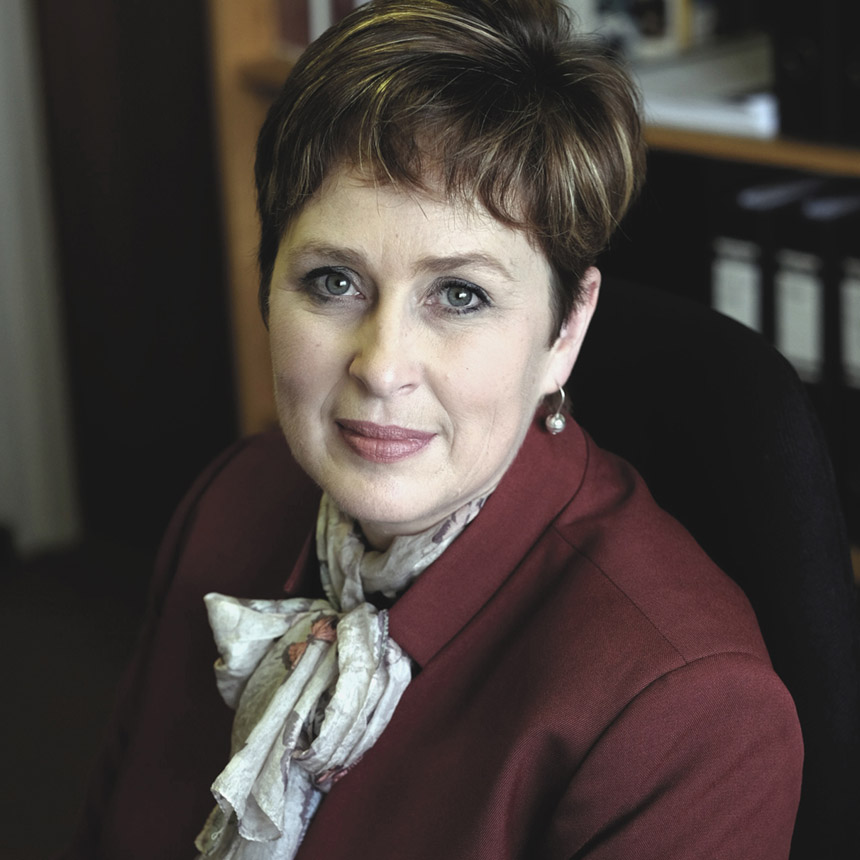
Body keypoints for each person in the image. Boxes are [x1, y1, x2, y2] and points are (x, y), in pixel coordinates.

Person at [60, 1, 803, 857]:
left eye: (459, 295)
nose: (382, 366)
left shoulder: (690, 713)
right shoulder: (234, 501)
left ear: (565, 330)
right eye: (333, 281)